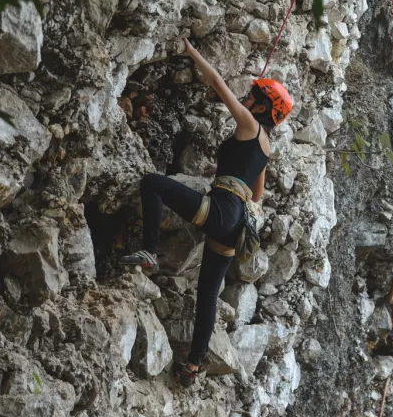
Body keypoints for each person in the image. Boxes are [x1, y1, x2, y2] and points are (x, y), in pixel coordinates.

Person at [121, 38, 293, 387]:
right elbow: (257, 195)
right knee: (207, 296)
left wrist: (190, 50)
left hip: (221, 210)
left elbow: (217, 83)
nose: (245, 100)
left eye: (251, 98)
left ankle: (151, 251)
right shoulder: (266, 147)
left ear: (260, 109)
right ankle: (193, 366)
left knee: (152, 183)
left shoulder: (248, 124)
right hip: (236, 225)